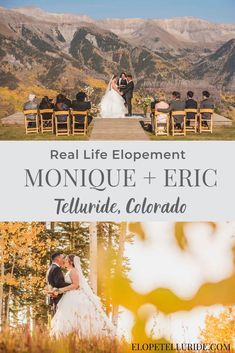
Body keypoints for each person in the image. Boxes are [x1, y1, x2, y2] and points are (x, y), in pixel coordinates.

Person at [50, 254, 116, 338]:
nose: (64, 261)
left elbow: (75, 285)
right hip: (69, 296)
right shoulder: (69, 271)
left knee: (76, 316)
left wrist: (60, 290)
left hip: (75, 296)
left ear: (71, 262)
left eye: (66, 260)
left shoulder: (73, 271)